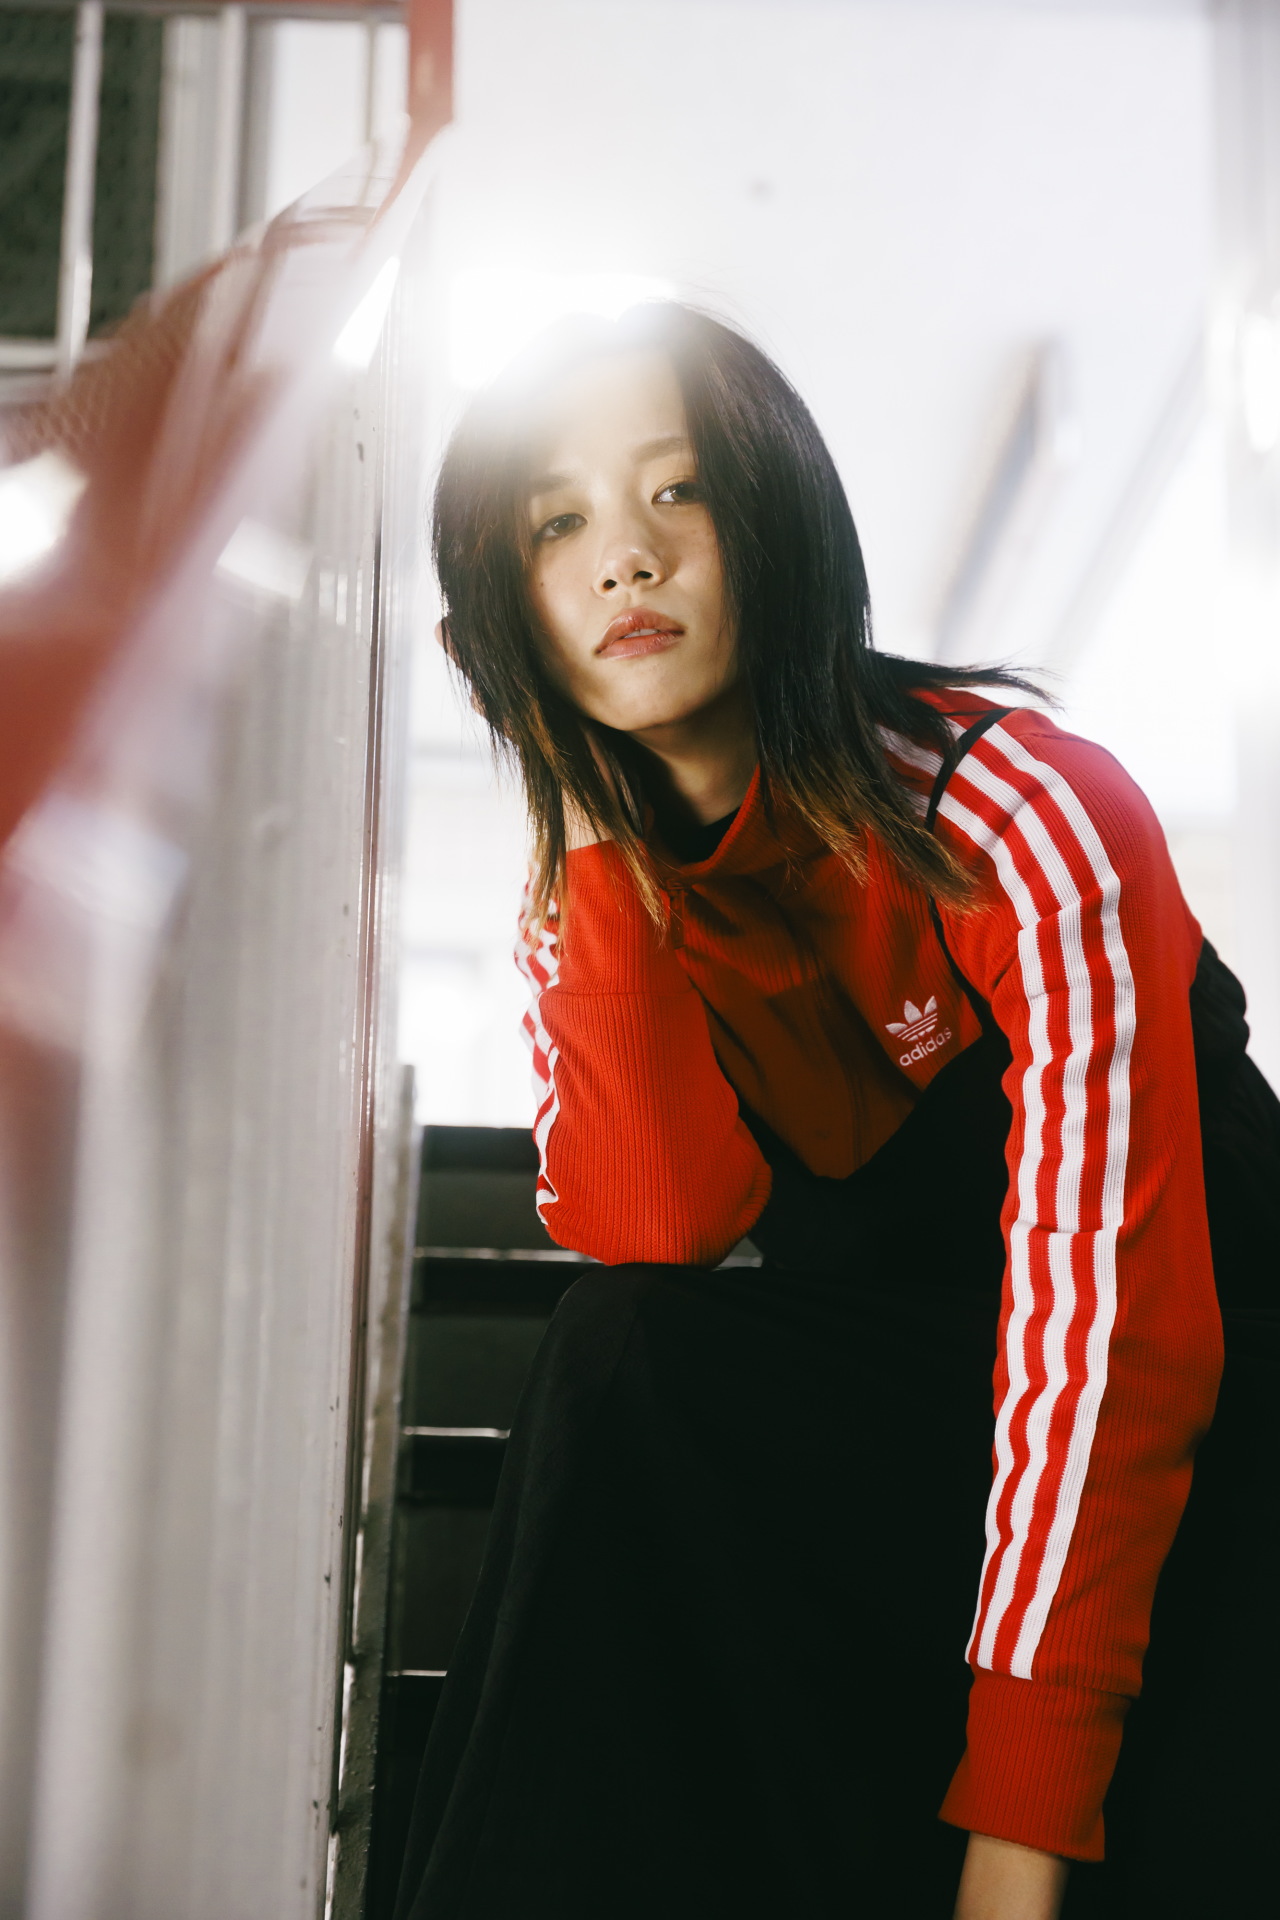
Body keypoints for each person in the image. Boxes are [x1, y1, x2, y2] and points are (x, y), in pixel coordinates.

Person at [394, 305, 1278, 1920]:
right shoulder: (595, 900)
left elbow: (1117, 1340)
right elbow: (657, 1227)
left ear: (779, 519)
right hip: (954, 1427)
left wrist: (1021, 1822)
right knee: (626, 1358)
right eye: (556, 525)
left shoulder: (1020, 810)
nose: (626, 557)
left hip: (1207, 1425)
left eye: (679, 490)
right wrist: (586, 823)